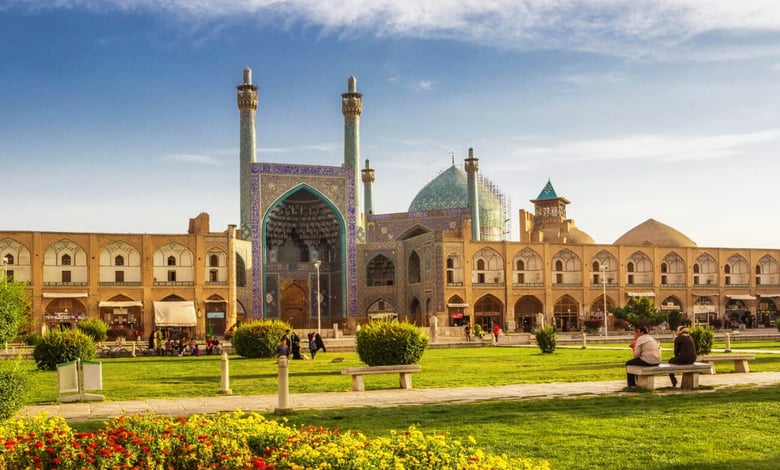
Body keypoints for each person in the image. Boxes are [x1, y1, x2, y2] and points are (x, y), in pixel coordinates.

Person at [625, 325, 661, 390]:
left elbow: (636, 355)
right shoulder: (651, 338)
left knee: (628, 363)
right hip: (657, 361)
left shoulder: (640, 339)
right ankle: (636, 383)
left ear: (642, 332)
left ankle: (631, 385)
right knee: (636, 362)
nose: (636, 333)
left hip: (648, 361)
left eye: (637, 331)